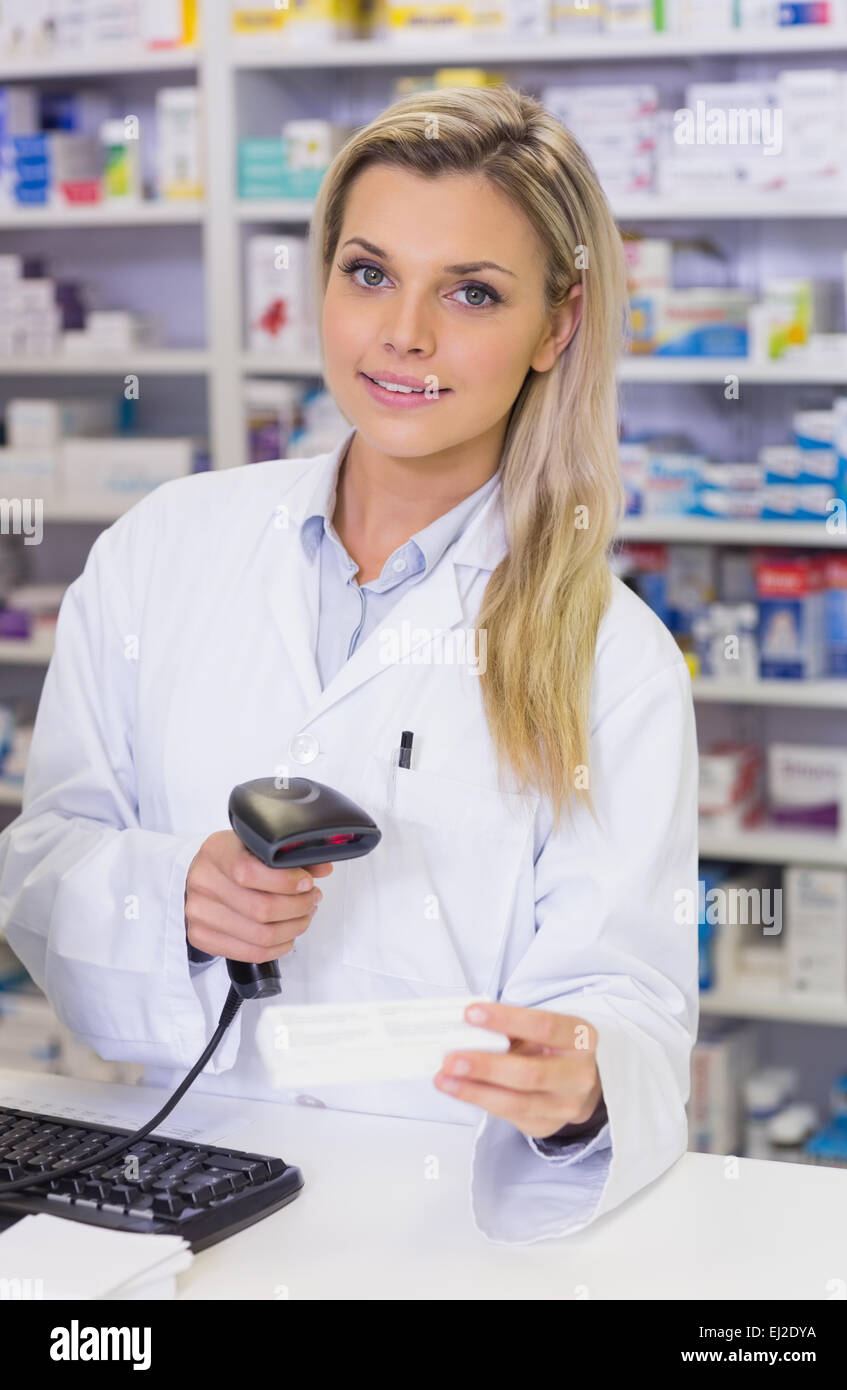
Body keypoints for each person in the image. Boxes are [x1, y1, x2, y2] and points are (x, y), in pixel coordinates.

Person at [0, 84, 698, 1245]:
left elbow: (621, 1000)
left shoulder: (610, 657)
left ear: (556, 325)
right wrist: (179, 895)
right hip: (156, 1193)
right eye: (369, 272)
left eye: (470, 292)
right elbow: (38, 866)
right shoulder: (162, 549)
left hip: (436, 1222)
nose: (403, 335)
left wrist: (578, 1089)